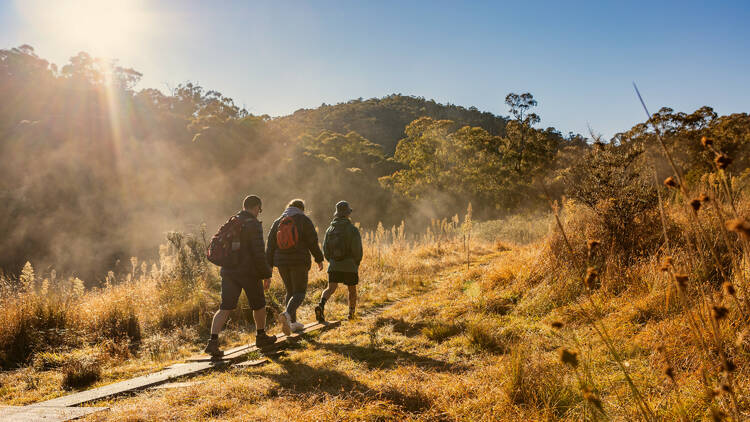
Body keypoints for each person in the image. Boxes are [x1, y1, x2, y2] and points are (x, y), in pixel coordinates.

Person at [204, 195, 276, 357]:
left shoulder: (233, 221)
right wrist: (266, 274)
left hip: (229, 272)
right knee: (259, 305)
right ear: (256, 207)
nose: (259, 212)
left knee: (225, 307)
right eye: (259, 209)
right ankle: (261, 336)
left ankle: (212, 342)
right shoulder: (253, 225)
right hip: (249, 272)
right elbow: (258, 253)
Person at [266, 199, 324, 335]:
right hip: (299, 261)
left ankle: (292, 324)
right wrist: (319, 258)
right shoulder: (304, 220)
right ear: (302, 209)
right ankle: (287, 315)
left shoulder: (277, 222)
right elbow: (312, 241)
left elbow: (270, 246)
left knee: (290, 291)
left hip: (281, 262)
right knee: (299, 292)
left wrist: (269, 266)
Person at [315, 201, 362, 322]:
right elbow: (357, 249)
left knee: (330, 288)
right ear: (347, 214)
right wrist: (356, 263)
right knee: (352, 290)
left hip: (334, 265)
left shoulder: (330, 229)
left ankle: (321, 305)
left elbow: (325, 249)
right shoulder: (352, 229)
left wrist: (332, 261)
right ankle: (351, 314)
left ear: (337, 214)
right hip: (350, 265)